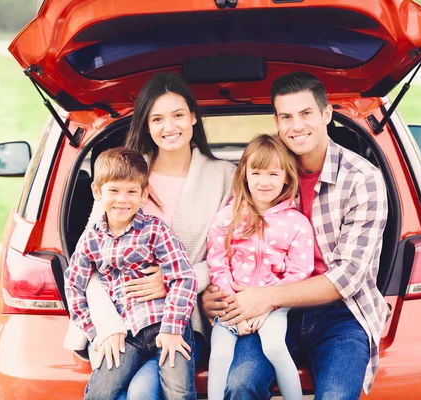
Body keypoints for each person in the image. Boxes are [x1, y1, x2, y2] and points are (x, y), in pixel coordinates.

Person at [202, 71, 389, 400]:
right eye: (286, 116)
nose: (296, 126)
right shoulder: (263, 174)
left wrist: (265, 297)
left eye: (306, 113)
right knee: (240, 383)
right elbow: (226, 242)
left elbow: (347, 278)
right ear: (276, 120)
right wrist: (214, 295)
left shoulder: (362, 179)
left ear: (326, 114)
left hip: (340, 314)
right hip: (266, 311)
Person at [63, 72, 236, 399]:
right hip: (120, 317)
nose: (169, 127)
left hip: (182, 315)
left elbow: (231, 253)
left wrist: (171, 280)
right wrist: (105, 325)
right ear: (145, 125)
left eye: (178, 115)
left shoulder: (224, 176)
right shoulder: (126, 175)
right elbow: (92, 258)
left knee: (143, 391)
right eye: (157, 118)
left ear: (194, 117)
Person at [64, 147, 198, 400]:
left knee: (179, 393)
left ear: (144, 194)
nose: (122, 199)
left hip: (166, 325)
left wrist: (172, 327)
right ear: (97, 192)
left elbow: (184, 277)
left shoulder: (155, 231)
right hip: (128, 335)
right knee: (98, 394)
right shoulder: (91, 239)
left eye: (131, 191)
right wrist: (96, 333)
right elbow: (73, 286)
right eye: (113, 191)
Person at [206, 134, 314, 400]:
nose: (264, 182)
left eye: (273, 174)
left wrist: (267, 304)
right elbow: (217, 261)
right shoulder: (226, 217)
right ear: (244, 175)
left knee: (275, 347)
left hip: (275, 306)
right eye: (256, 173)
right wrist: (235, 305)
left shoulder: (296, 223)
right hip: (232, 306)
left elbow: (300, 272)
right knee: (219, 355)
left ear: (287, 178)